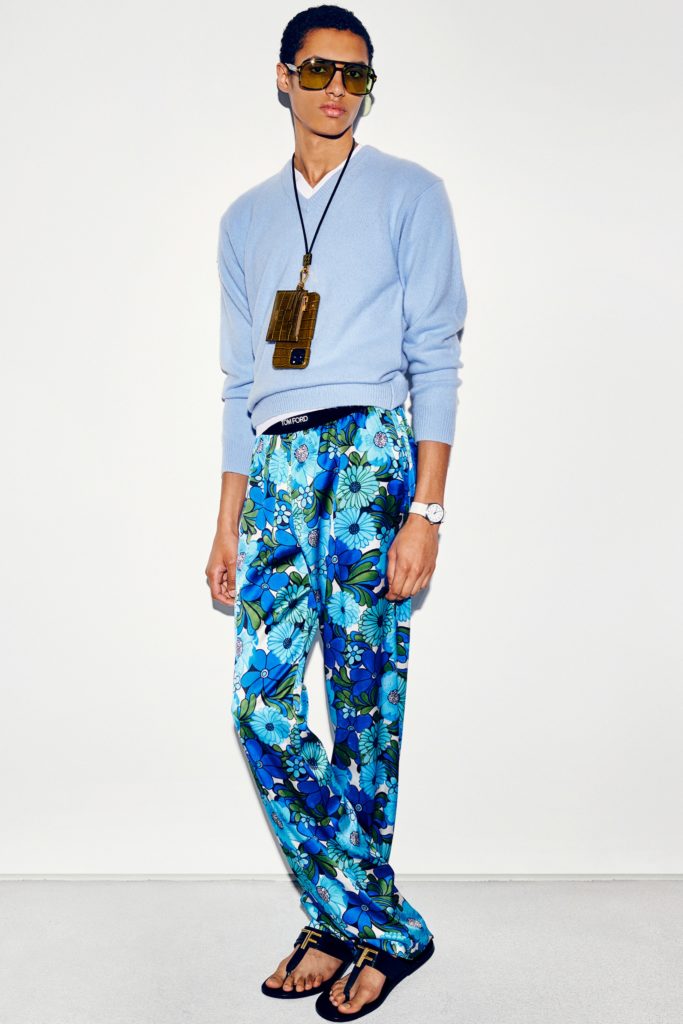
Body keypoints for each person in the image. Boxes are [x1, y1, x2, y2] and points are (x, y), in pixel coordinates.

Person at [205, 5, 468, 1019]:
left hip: (369, 454)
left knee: (362, 703)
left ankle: (341, 922)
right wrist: (225, 520)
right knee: (260, 705)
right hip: (275, 461)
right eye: (317, 70)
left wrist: (426, 509)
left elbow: (436, 354)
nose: (334, 91)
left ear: (366, 88)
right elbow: (239, 382)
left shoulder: (410, 193)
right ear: (283, 76)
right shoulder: (243, 219)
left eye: (354, 76)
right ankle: (369, 917)